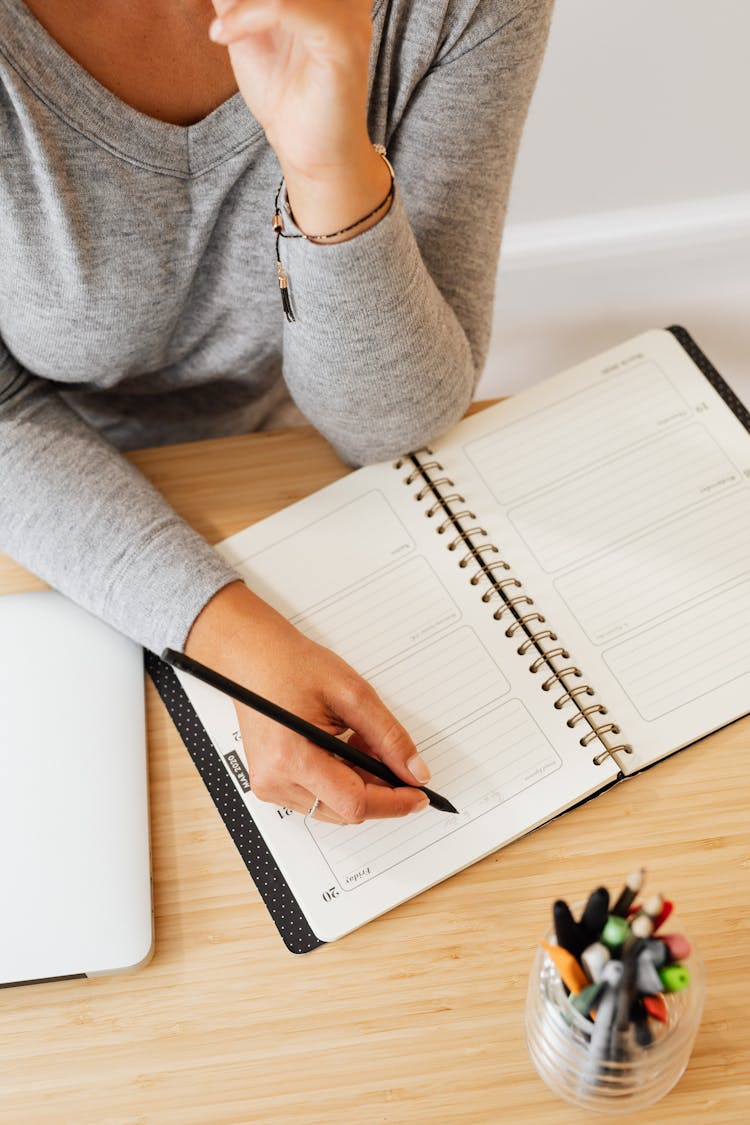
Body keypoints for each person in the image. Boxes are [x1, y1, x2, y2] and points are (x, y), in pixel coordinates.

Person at [0, 0, 552, 824]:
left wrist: (330, 167)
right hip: (46, 529)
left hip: (286, 468)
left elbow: (390, 421)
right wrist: (236, 644)